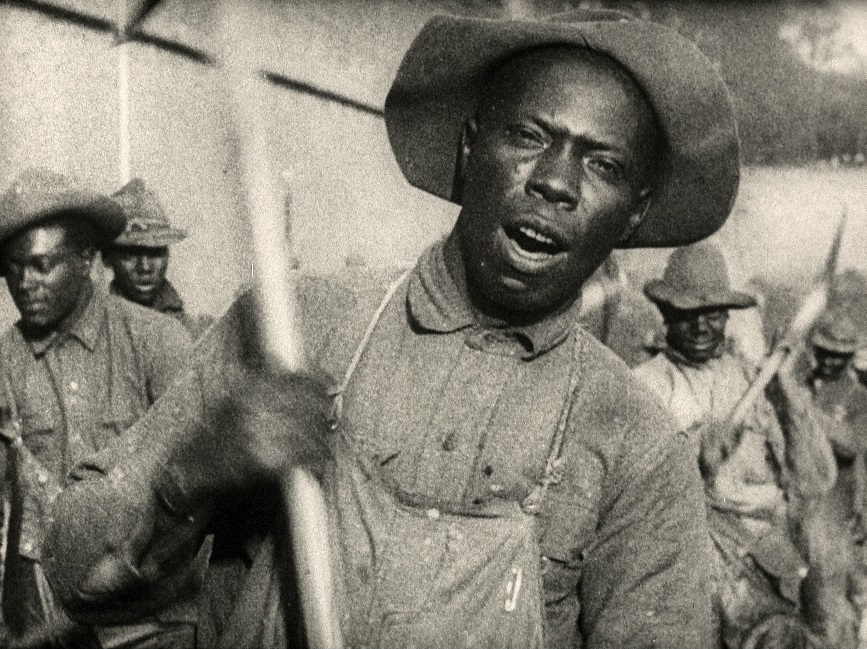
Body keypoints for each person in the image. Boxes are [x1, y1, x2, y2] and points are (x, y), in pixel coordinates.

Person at [42, 10, 741, 648]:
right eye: (529, 135)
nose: (556, 181)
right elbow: (72, 570)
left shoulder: (636, 443)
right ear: (471, 150)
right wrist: (188, 475)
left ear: (635, 213)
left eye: (603, 163)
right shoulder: (295, 326)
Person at [0, 168, 195, 647]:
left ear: (87, 259)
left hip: (146, 614)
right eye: (13, 267)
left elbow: (196, 487)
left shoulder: (158, 342)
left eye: (43, 265)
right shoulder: (4, 362)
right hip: (43, 619)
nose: (26, 282)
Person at [634, 242, 840, 648]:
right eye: (687, 315)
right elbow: (632, 487)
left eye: (711, 315)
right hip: (685, 559)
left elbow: (816, 480)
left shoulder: (753, 382)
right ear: (665, 316)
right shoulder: (642, 386)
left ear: (727, 317)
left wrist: (785, 393)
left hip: (767, 559)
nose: (700, 327)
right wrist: (692, 454)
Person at [801, 311, 867, 648]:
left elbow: (852, 444)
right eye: (823, 351)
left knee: (835, 595)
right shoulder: (803, 386)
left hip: (837, 508)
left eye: (838, 354)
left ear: (850, 357)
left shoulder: (865, 400)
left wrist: (804, 412)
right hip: (797, 505)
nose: (828, 360)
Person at [103, 178, 213, 339]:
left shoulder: (195, 331)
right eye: (131, 254)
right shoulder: (100, 331)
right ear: (108, 257)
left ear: (167, 254)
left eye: (155, 252)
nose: (145, 267)